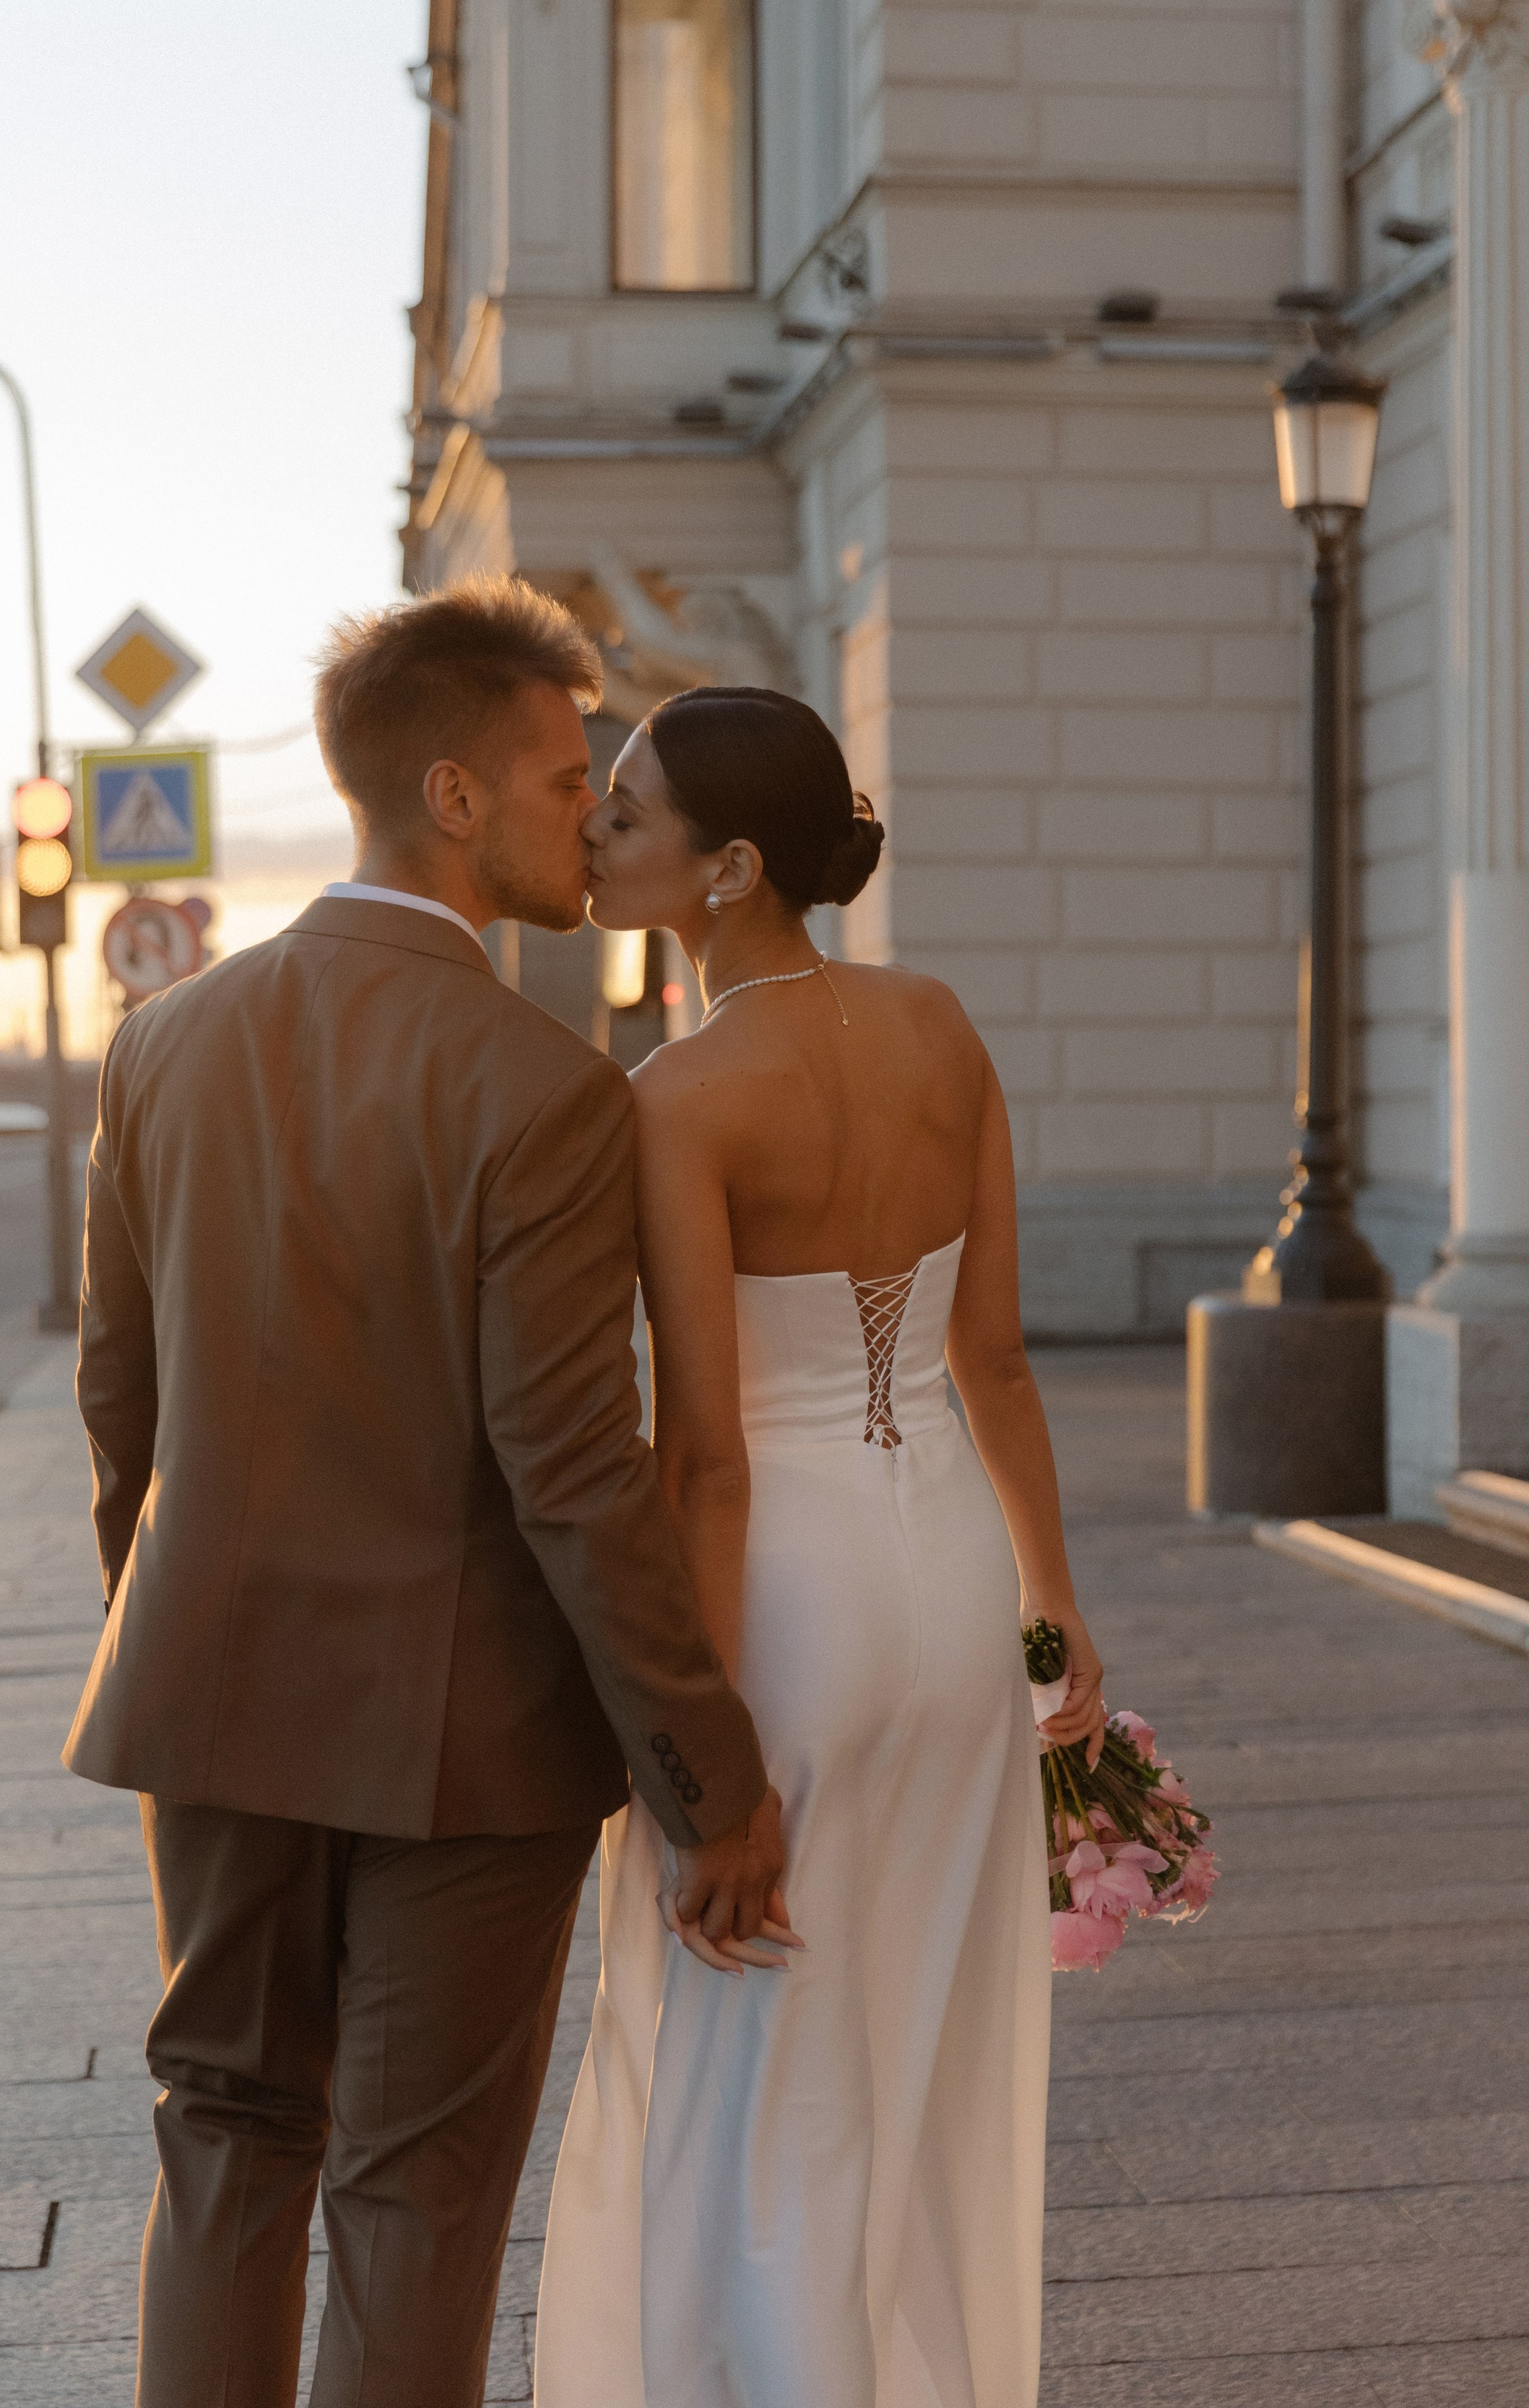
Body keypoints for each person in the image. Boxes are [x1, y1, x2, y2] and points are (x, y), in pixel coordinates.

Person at [61, 582, 789, 2408]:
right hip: (465, 1754)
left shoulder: (160, 1047)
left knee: (221, 2138)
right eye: (563, 780)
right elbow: (572, 1470)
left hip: (211, 1703)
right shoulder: (542, 1088)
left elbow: (118, 1416)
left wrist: (176, 1645)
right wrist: (705, 1772)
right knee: (415, 2189)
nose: (589, 818)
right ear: (452, 798)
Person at [535, 685, 1105, 2408]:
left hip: (785, 1600)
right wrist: (1050, 1621)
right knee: (912, 2036)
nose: (589, 831)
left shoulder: (680, 1096)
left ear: (726, 869)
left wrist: (700, 1768)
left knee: (752, 2040)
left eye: (619, 814)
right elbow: (986, 1362)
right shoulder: (937, 1025)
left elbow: (706, 1461)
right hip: (945, 1594)